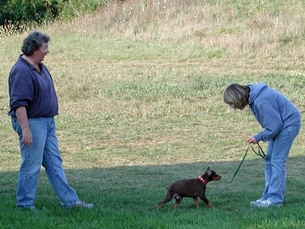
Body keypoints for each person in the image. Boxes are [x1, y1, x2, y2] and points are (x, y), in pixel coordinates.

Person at [8, 31, 94, 210]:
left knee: (54, 163)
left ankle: (70, 202)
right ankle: (24, 205)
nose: (47, 51)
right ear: (33, 49)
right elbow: (19, 104)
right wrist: (26, 130)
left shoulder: (40, 66)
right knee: (31, 164)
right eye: (44, 48)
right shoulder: (22, 71)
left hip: (47, 122)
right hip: (32, 123)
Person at [223, 83, 301, 208]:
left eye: (233, 104)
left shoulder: (261, 101)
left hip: (288, 126)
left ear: (238, 97)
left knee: (277, 162)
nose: (235, 107)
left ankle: (275, 200)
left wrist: (258, 137)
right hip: (281, 126)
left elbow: (275, 126)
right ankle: (267, 197)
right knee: (269, 161)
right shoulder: (255, 97)